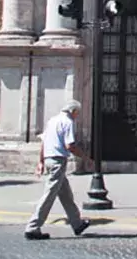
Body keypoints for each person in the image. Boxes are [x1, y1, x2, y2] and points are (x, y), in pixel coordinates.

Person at [25, 99, 91, 240]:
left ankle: (77, 223)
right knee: (49, 195)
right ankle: (33, 226)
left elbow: (44, 142)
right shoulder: (68, 122)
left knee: (66, 194)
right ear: (73, 111)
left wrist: (41, 161)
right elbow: (70, 146)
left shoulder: (52, 121)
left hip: (49, 159)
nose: (77, 116)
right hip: (58, 161)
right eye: (77, 113)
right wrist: (85, 157)